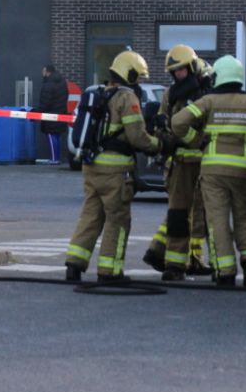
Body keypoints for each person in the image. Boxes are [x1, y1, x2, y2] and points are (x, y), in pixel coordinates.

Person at [171, 55, 246, 288]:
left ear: (218, 76)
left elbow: (177, 123)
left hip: (213, 173)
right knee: (245, 219)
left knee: (218, 221)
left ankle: (225, 272)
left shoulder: (207, 102)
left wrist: (197, 141)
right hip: (243, 171)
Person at [65, 49, 160, 284]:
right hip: (116, 173)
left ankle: (74, 265)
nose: (139, 82)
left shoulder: (99, 93)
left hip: (92, 168)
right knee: (117, 220)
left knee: (90, 216)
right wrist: (158, 144)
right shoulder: (127, 98)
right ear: (130, 73)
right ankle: (110, 271)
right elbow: (137, 137)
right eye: (138, 76)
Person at [143, 45, 213, 280]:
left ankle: (187, 258)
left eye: (181, 70)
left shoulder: (205, 92)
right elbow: (163, 125)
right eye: (174, 72)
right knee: (179, 215)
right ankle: (174, 266)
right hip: (180, 163)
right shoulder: (170, 94)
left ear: (191, 67)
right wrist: (164, 133)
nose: (178, 75)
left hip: (203, 163)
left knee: (200, 215)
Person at [38, 64, 69, 165]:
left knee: (51, 135)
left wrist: (38, 112)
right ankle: (57, 158)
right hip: (61, 113)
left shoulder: (48, 84)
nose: (42, 73)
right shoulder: (62, 82)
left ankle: (54, 159)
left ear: (47, 72)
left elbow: (45, 102)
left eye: (43, 71)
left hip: (50, 114)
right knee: (57, 136)